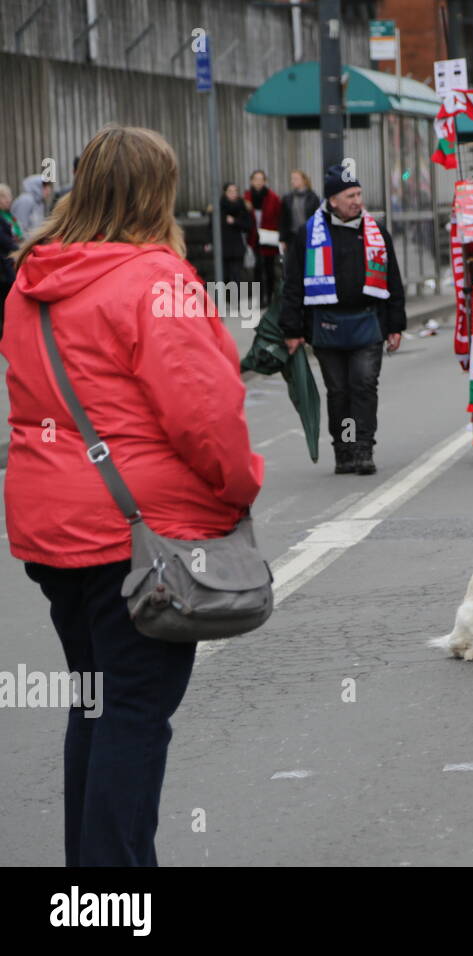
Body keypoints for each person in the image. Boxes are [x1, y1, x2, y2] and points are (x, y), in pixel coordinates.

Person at [2, 124, 264, 866]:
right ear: (156, 192)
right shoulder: (156, 279)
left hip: (51, 528)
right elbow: (206, 415)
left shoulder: (30, 279)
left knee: (95, 706)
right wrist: (240, 487)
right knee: (135, 714)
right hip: (138, 534)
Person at [282, 164, 406, 476]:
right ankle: (345, 447)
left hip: (367, 323)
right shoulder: (308, 235)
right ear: (333, 200)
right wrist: (293, 328)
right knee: (339, 392)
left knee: (363, 385)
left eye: (359, 193)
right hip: (327, 327)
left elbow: (393, 280)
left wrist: (395, 324)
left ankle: (363, 448)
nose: (357, 200)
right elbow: (293, 284)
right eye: (350, 195)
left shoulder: (376, 233)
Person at [244, 170, 281, 307]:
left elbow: (279, 216)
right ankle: (260, 299)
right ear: (251, 181)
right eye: (256, 179)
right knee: (257, 269)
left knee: (270, 269)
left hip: (269, 237)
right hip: (254, 238)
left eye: (261, 179)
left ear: (265, 181)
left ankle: (270, 297)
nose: (258, 182)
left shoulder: (273, 197)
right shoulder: (247, 197)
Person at [216, 182, 253, 283]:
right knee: (224, 277)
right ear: (225, 193)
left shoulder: (243, 207)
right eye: (230, 191)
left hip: (237, 248)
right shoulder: (218, 208)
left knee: (236, 276)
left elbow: (248, 226)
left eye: (235, 191)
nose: (233, 193)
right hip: (223, 247)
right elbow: (212, 227)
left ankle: (234, 298)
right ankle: (224, 297)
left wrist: (235, 222)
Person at [278, 169, 321, 254]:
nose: (293, 181)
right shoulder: (287, 198)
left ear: (304, 180)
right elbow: (283, 219)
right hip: (292, 237)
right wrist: (282, 239)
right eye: (292, 179)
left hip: (309, 236)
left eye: (296, 179)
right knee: (292, 263)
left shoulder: (313, 197)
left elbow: (318, 218)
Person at [0, 183, 20, 337]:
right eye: (5, 196)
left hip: (7, 263)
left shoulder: (8, 215)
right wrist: (17, 247)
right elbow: (4, 240)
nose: (9, 200)